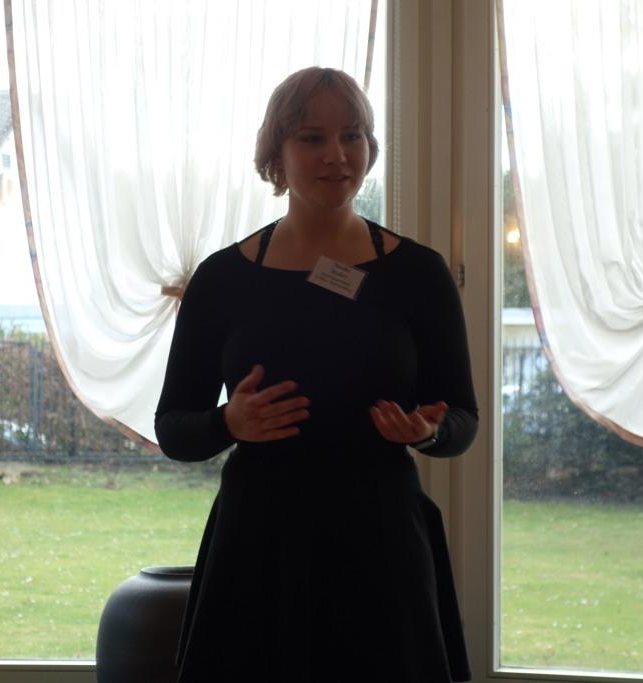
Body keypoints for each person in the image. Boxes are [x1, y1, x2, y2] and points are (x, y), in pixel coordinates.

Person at [154, 66, 478, 683]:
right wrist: (229, 422)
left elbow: (462, 420)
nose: (337, 155)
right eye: (312, 138)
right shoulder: (222, 279)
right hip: (259, 544)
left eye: (352, 135)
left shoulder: (419, 274)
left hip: (382, 541)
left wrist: (428, 431)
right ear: (275, 153)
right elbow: (174, 429)